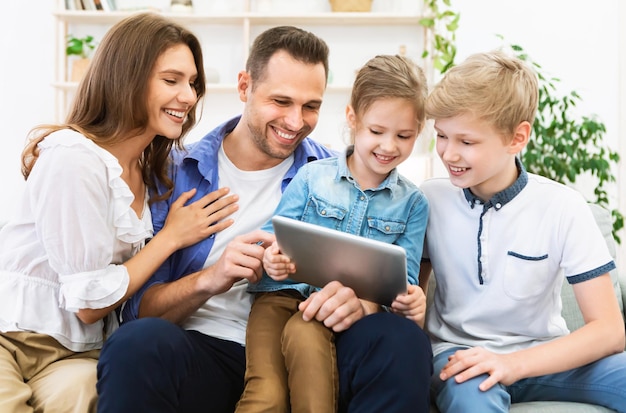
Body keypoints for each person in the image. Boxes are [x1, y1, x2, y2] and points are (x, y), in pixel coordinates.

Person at [97, 26, 433, 413]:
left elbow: (397, 279)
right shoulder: (175, 173)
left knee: (400, 340)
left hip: (317, 350)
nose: (295, 121)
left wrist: (365, 303)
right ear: (244, 87)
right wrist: (210, 278)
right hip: (208, 352)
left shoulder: (330, 173)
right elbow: (138, 310)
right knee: (137, 343)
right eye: (281, 101)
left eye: (310, 106)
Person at [0, 13, 238, 413]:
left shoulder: (153, 174)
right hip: (12, 337)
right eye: (171, 80)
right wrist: (170, 238)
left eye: (193, 83)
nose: (189, 97)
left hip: (76, 353)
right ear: (127, 77)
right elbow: (89, 302)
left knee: (89, 396)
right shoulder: (73, 156)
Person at [419, 50, 626, 413]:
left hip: (545, 357)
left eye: (466, 142)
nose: (448, 154)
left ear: (517, 138)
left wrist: (513, 365)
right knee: (471, 393)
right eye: (441, 136)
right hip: (462, 359)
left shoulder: (564, 207)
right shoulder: (428, 200)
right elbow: (408, 298)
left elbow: (609, 331)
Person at [235, 54, 432, 413]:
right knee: (266, 395)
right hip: (278, 298)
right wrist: (273, 259)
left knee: (306, 341)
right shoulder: (312, 176)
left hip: (338, 312)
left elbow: (401, 279)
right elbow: (272, 238)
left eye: (404, 136)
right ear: (352, 117)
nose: (388, 147)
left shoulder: (413, 205)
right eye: (376, 132)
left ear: (418, 132)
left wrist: (409, 300)